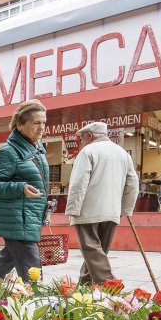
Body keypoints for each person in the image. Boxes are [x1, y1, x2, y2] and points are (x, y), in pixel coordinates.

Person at [66, 122, 140, 285]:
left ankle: (110, 285)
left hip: (88, 210)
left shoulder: (88, 151)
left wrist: (73, 207)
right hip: (111, 211)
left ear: (90, 136)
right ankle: (85, 286)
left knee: (92, 250)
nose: (81, 141)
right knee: (97, 252)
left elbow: (79, 182)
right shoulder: (122, 153)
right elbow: (133, 183)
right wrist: (125, 209)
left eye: (82, 137)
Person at [0, 99, 50, 281]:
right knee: (32, 267)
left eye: (44, 122)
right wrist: (21, 188)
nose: (41, 127)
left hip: (27, 216)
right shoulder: (8, 152)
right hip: (16, 218)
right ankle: (38, 304)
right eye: (36, 123)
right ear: (19, 125)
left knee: (9, 258)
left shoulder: (36, 149)